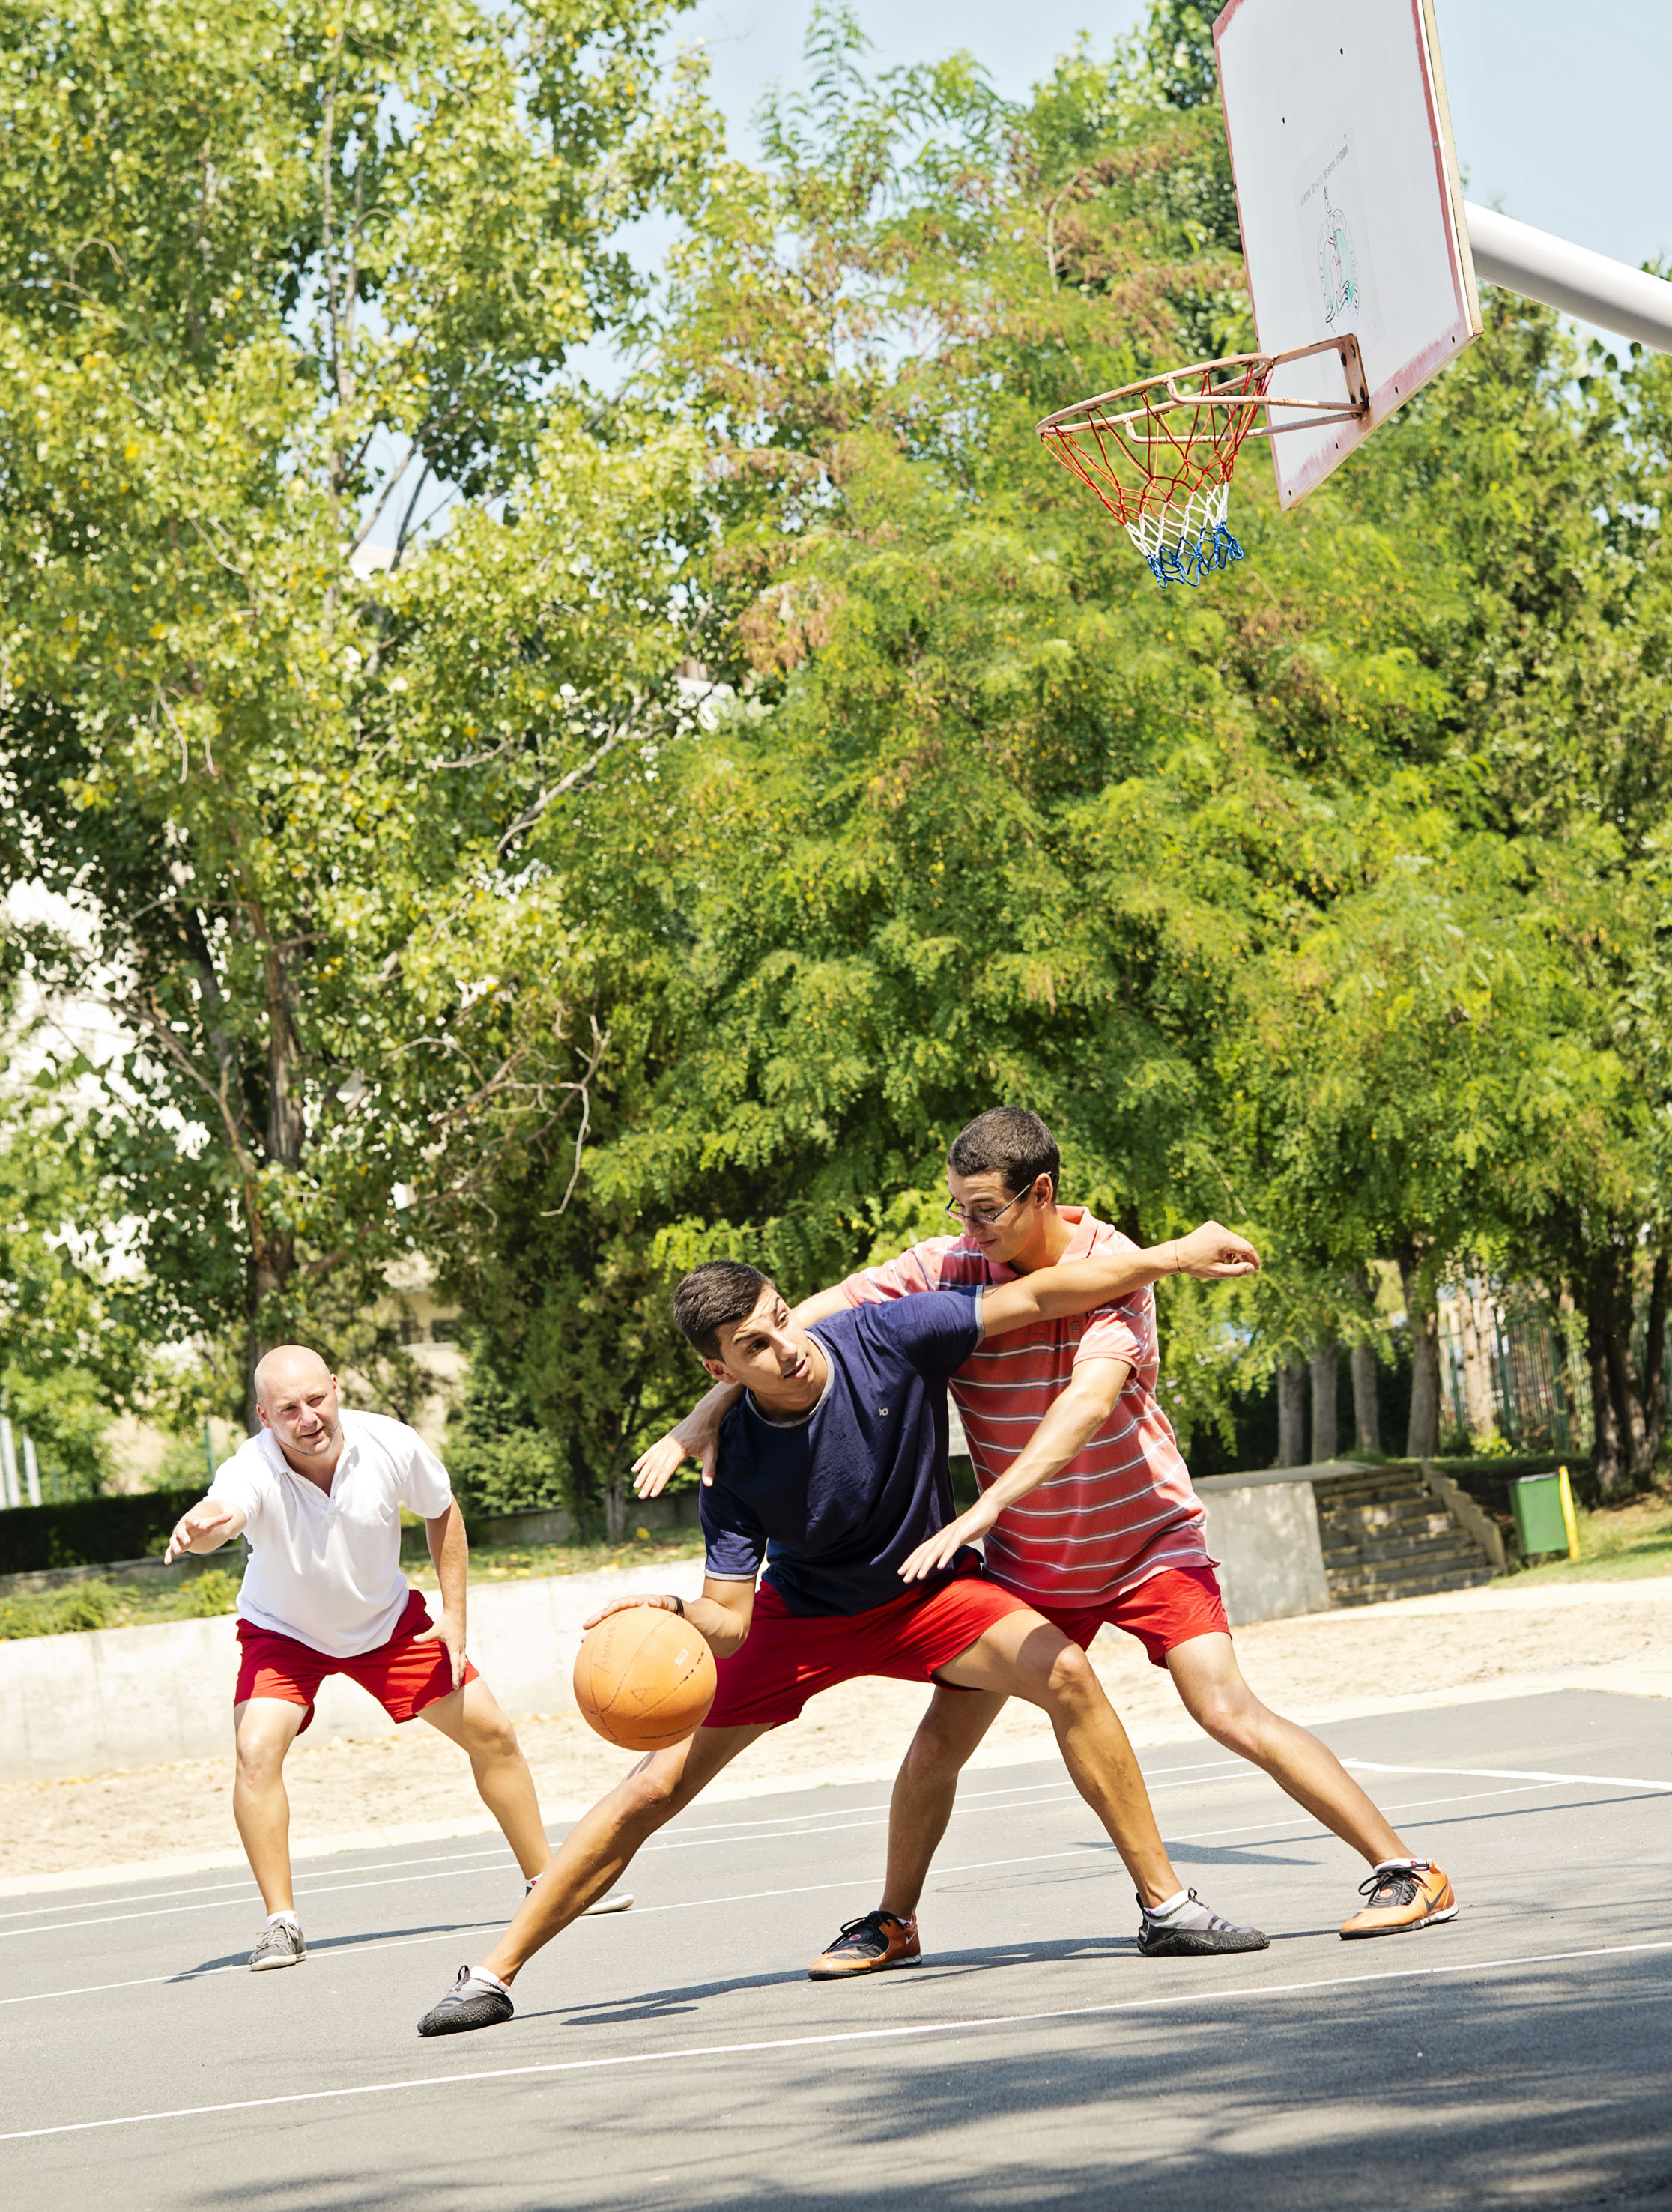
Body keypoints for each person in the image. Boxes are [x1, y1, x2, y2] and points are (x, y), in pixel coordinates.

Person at [636, 1107, 1456, 1966]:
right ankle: (893, 1920)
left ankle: (1407, 1869)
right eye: (956, 1205)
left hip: (1144, 1540)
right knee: (938, 1744)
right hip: (1032, 1560)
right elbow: (803, 1323)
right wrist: (706, 1409)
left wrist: (983, 1509)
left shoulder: (1115, 1269)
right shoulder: (945, 1265)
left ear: (1043, 1193)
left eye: (985, 1209)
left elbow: (1084, 1407)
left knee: (1225, 1708)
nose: (967, 1226)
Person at [415, 1222, 1267, 2037]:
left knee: (1067, 1676)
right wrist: (675, 1611)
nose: (784, 1346)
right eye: (753, 1345)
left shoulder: (888, 1335)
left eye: (780, 1318)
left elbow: (1043, 1295)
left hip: (924, 1589)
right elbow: (729, 1617)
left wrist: (1173, 1256)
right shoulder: (734, 1463)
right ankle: (494, 1973)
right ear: (721, 1369)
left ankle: (1165, 1907)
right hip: (805, 1614)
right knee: (652, 1786)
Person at [165, 1345, 588, 1971]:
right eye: (288, 1409)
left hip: (386, 1625)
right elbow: (227, 1510)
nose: (308, 1417)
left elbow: (443, 1511)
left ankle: (547, 1884)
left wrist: (454, 1617)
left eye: (316, 1399)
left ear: (336, 1388)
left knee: (494, 1732)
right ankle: (282, 1923)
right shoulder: (250, 1467)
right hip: (285, 1632)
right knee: (256, 1750)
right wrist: (204, 1523)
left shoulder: (389, 1442)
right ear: (264, 1415)